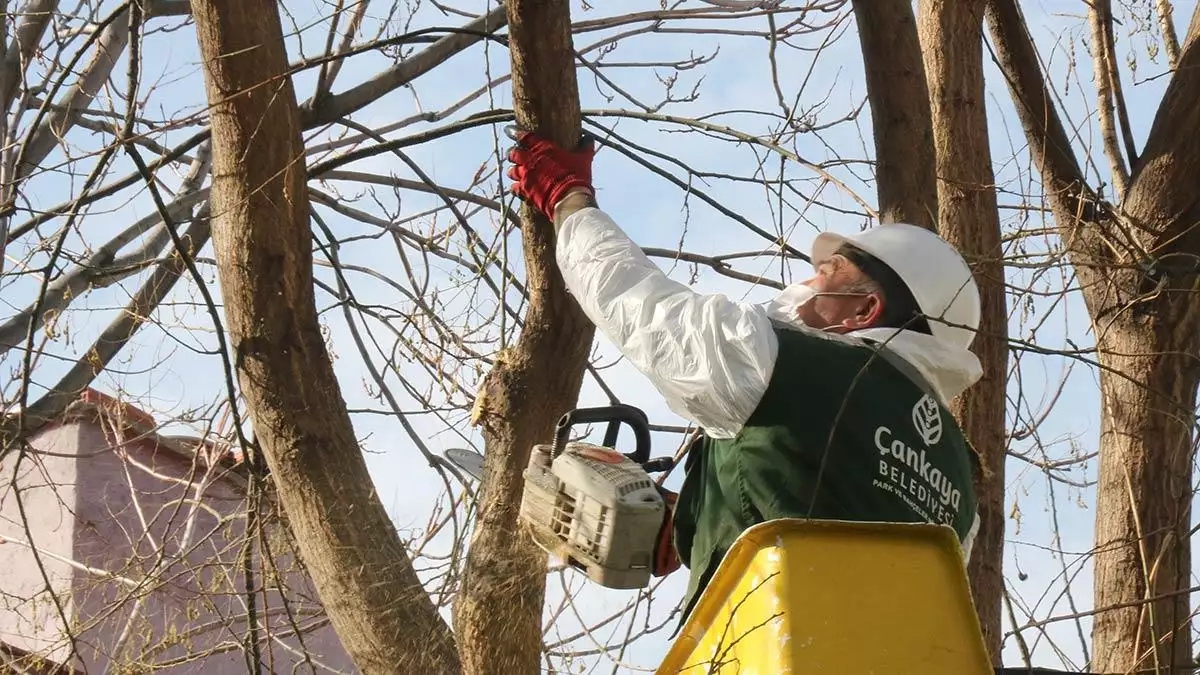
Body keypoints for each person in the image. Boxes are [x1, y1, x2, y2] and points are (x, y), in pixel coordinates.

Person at [504, 127, 983, 623]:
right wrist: (693, 521)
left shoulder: (779, 363)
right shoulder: (962, 484)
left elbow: (630, 297)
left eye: (828, 271)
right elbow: (831, 531)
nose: (805, 281)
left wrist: (567, 198)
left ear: (863, 309)